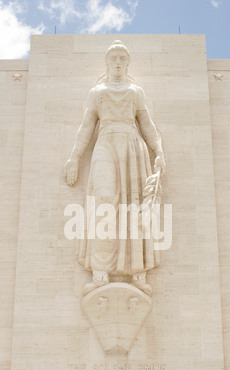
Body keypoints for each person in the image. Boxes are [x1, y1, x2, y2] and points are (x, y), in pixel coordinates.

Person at [64, 40, 165, 296]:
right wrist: (75, 156)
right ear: (107, 63)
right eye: (114, 58)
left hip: (132, 145)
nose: (118, 62)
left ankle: (138, 272)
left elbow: (148, 125)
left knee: (134, 208)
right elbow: (87, 126)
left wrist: (159, 151)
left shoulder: (135, 92)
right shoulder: (97, 92)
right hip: (105, 143)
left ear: (127, 63)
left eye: (122, 58)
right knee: (104, 202)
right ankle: (100, 272)